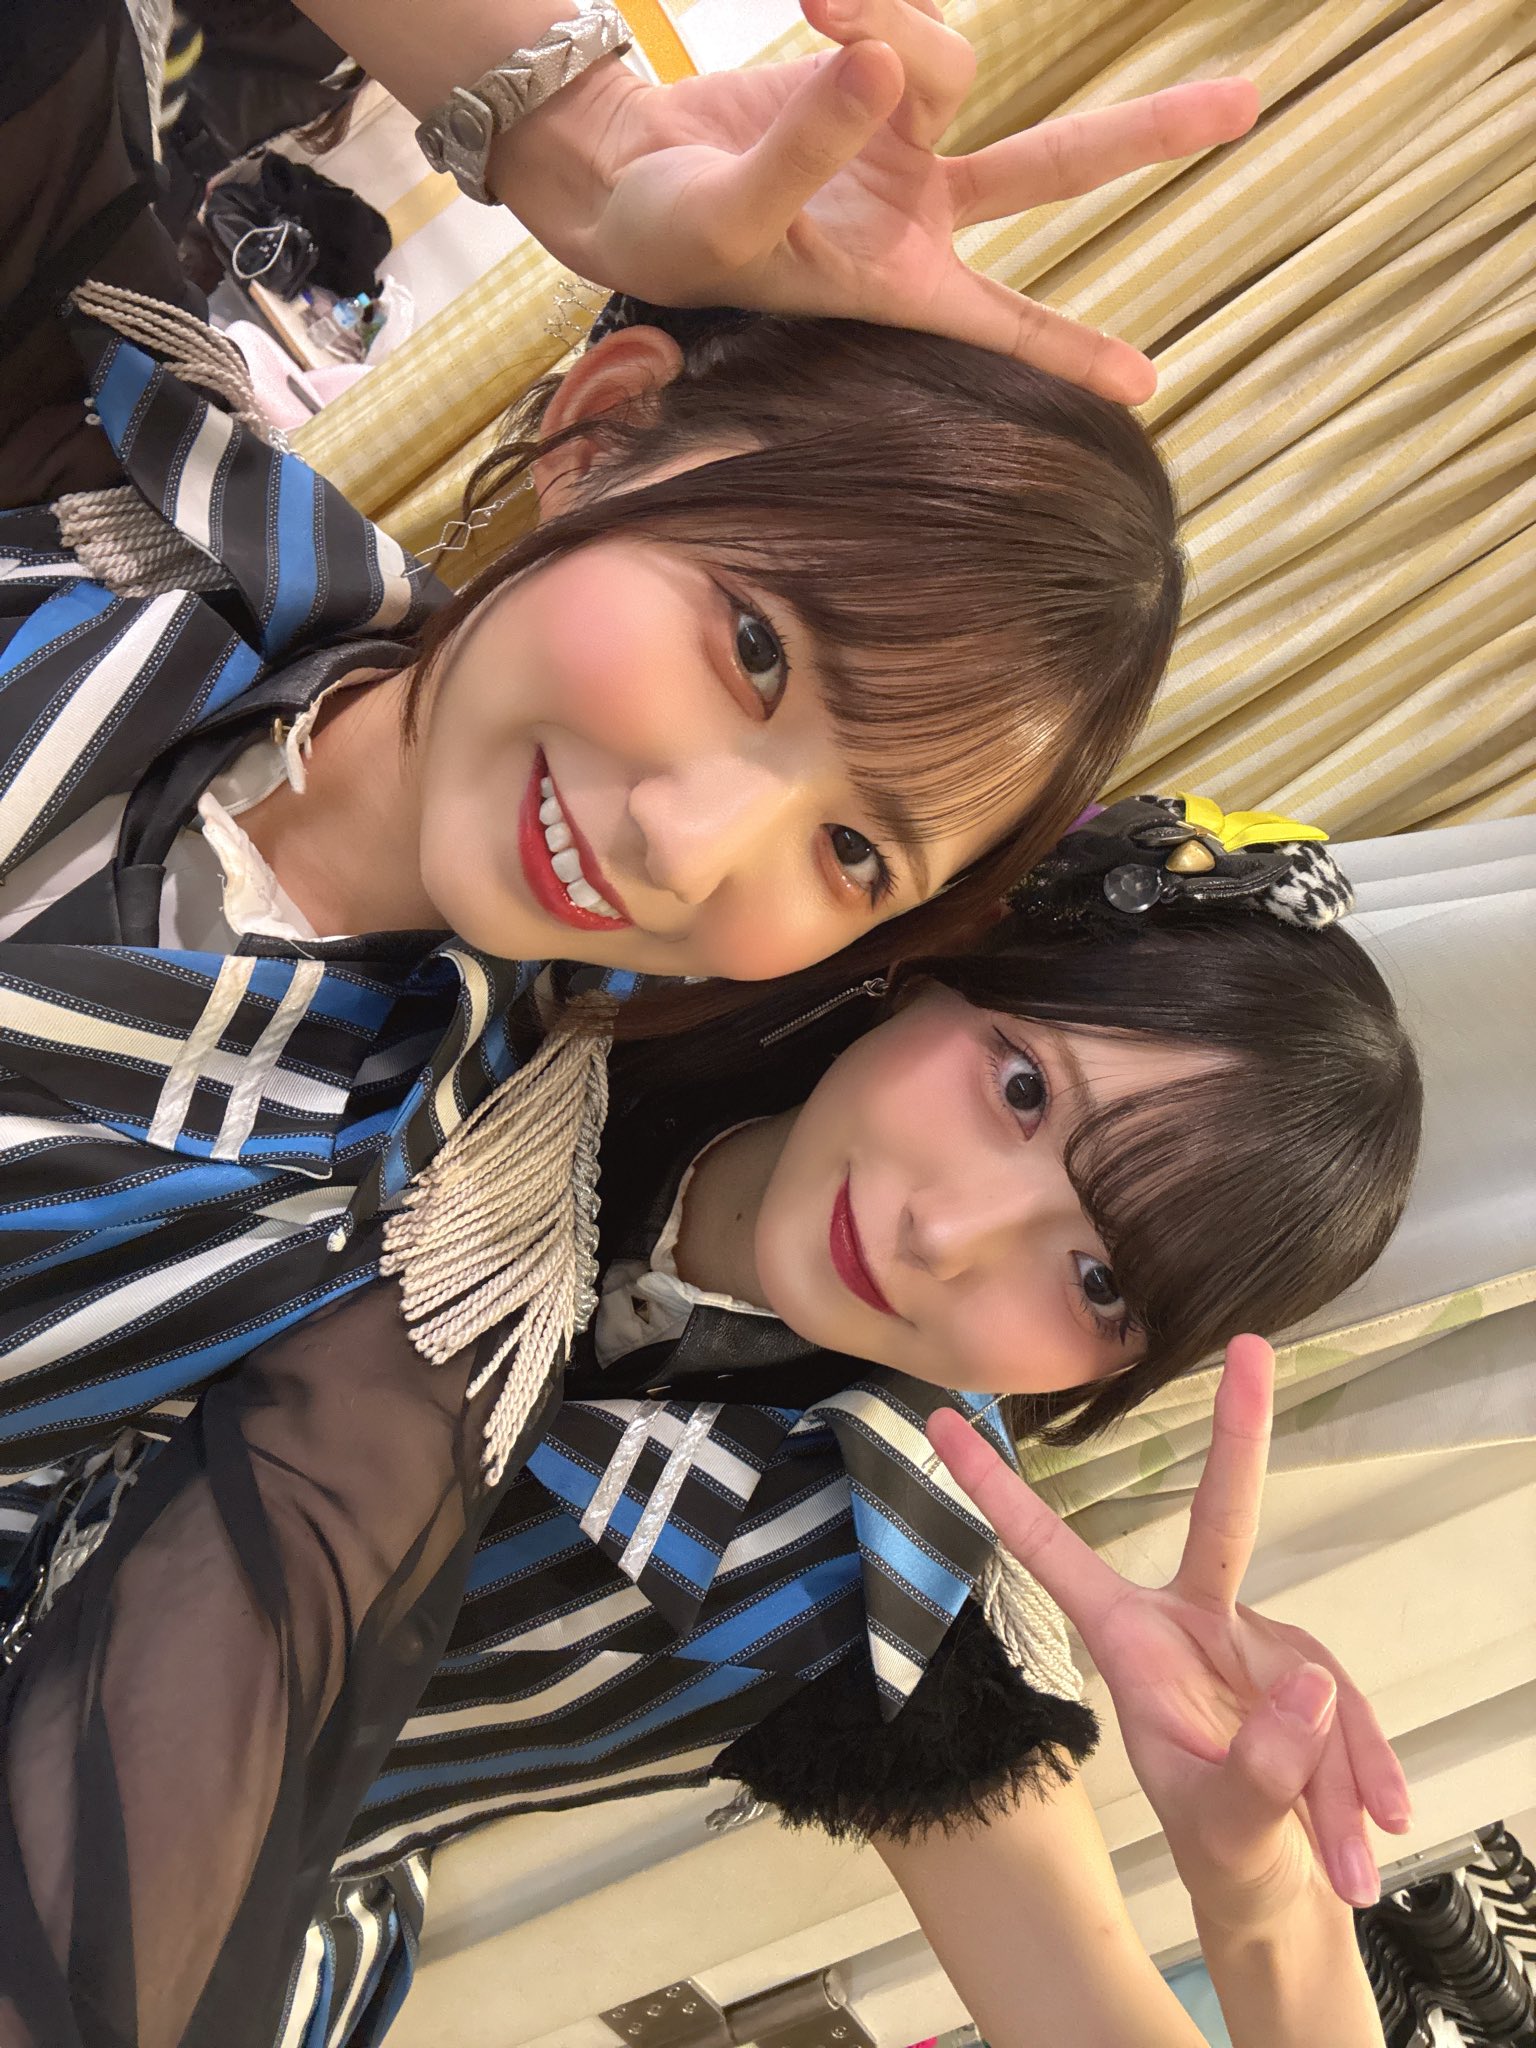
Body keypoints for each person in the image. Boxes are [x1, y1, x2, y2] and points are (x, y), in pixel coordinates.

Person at [0, 0, 1253, 1518]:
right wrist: (576, 136)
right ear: (599, 435)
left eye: (854, 852)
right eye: (758, 650)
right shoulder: (107, 461)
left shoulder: (407, 1276)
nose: (690, 844)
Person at [0, 798, 1422, 2046]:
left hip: (144, 1912)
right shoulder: (608, 962)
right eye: (1021, 1089)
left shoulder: (885, 1586)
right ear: (952, 967)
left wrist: (1261, 1913)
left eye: (1098, 1280)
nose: (948, 1234)